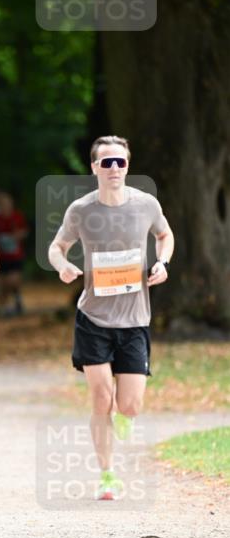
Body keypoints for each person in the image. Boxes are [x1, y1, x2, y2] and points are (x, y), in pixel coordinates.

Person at [48, 135, 174, 501]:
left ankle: (124, 417)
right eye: (107, 163)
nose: (115, 168)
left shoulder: (146, 204)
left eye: (120, 162)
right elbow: (57, 247)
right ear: (94, 168)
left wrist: (162, 262)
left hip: (135, 320)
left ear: (128, 166)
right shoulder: (81, 210)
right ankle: (107, 474)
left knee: (129, 405)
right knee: (101, 399)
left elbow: (165, 235)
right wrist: (62, 267)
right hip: (94, 318)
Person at [0, 191, 28, 316]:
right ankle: (2, 307)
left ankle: (17, 299)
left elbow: (25, 231)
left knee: (13, 281)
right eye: (2, 204)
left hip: (15, 256)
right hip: (0, 257)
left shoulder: (17, 217)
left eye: (7, 204)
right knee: (0, 284)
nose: (5, 206)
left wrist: (16, 236)